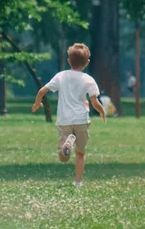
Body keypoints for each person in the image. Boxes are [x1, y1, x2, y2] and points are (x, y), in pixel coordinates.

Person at [32, 43, 106, 188]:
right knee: (80, 153)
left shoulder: (61, 76)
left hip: (64, 121)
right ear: (87, 62)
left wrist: (37, 103)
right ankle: (77, 182)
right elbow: (94, 102)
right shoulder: (88, 79)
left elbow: (42, 91)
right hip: (81, 120)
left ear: (69, 61)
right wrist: (102, 112)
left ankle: (67, 145)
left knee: (63, 157)